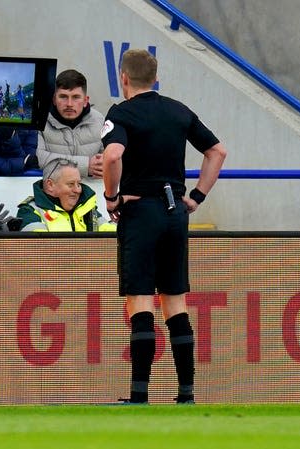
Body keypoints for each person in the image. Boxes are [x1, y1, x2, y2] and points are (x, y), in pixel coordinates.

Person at [101, 49, 227, 404]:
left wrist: (112, 197)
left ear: (123, 77)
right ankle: (186, 394)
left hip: (141, 212)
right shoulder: (178, 110)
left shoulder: (120, 113)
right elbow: (217, 151)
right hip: (175, 214)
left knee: (140, 299)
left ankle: (139, 395)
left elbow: (112, 155)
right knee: (176, 302)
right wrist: (197, 196)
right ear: (155, 78)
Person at [36, 69, 104, 180]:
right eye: (63, 97)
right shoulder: (41, 121)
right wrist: (85, 166)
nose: (69, 104)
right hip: (53, 191)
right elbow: (39, 158)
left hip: (91, 191)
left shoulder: (98, 120)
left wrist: (103, 164)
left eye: (76, 97)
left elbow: (107, 157)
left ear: (86, 100)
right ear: (54, 99)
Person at [17, 158, 115, 232]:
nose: (77, 190)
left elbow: (112, 237)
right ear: (50, 185)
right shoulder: (29, 211)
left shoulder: (88, 208)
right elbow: (38, 249)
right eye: (71, 184)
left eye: (78, 184)